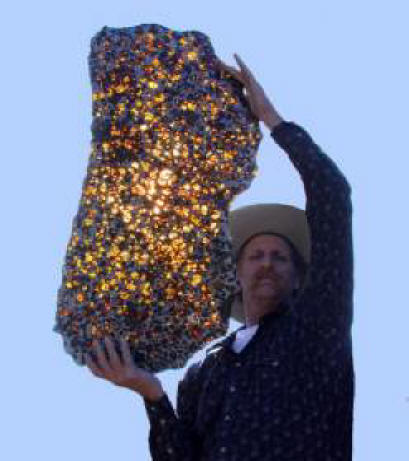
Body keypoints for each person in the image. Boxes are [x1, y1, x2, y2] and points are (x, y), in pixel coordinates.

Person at [85, 53, 354, 460]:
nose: (267, 263)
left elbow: (332, 194)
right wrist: (151, 393)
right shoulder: (205, 370)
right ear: (236, 275)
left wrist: (271, 118)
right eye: (256, 256)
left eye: (280, 257)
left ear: (301, 278)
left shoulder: (316, 328)